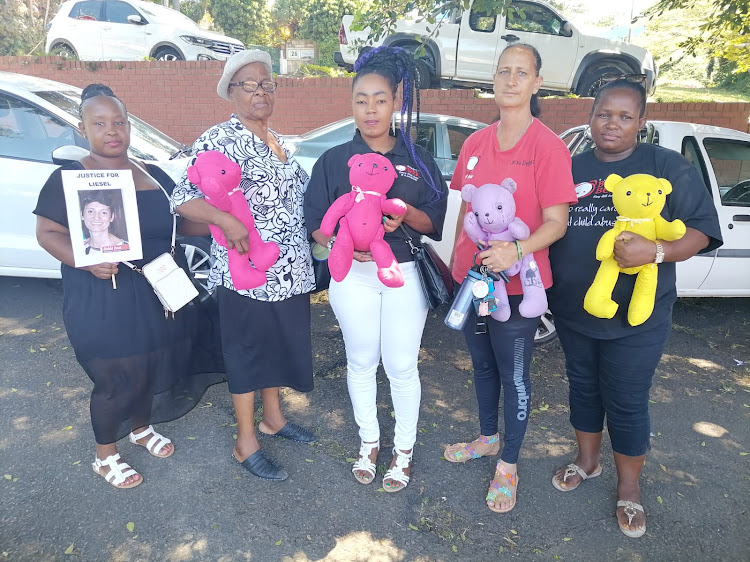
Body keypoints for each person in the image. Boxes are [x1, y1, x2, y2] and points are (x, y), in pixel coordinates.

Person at [547, 78, 722, 537]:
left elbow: (701, 230)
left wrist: (657, 252)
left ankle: (630, 490)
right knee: (582, 387)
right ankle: (587, 463)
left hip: (637, 319)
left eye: (625, 116)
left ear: (640, 123)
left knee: (625, 401)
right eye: (605, 113)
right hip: (573, 310)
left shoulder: (665, 165)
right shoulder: (571, 166)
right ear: (590, 117)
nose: (613, 123)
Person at [34, 84, 223, 489]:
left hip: (156, 290)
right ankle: (105, 456)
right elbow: (47, 232)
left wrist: (223, 217)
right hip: (103, 294)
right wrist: (85, 260)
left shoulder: (151, 173)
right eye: (99, 123)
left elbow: (179, 223)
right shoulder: (71, 177)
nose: (112, 130)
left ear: (129, 125)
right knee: (116, 376)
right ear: (83, 129)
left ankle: (140, 428)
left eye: (119, 121)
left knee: (150, 364)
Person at [304, 46, 448, 492]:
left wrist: (405, 216)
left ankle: (402, 452)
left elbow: (436, 223)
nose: (371, 109)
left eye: (380, 99)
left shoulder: (418, 159)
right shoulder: (334, 161)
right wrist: (341, 240)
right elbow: (316, 227)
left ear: (395, 102)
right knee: (361, 361)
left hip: (403, 276)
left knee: (402, 366)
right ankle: (369, 442)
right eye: (362, 99)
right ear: (351, 104)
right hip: (353, 278)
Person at [444, 44, 577, 513]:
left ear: (537, 83)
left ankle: (509, 465)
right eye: (504, 71)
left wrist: (515, 249)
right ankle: (486, 437)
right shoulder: (477, 143)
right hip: (474, 282)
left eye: (522, 72)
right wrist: (462, 264)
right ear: (494, 79)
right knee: (480, 366)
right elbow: (464, 210)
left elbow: (556, 222)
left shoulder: (548, 146)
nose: (511, 79)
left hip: (519, 290)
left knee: (514, 376)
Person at [172, 50, 316, 483]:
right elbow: (183, 199)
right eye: (249, 85)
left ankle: (274, 418)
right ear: (231, 92)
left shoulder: (281, 142)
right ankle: (245, 440)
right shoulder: (220, 138)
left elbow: (302, 200)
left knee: (274, 346)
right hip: (246, 273)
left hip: (288, 271)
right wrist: (224, 218)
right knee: (247, 352)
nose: (260, 92)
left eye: (267, 84)